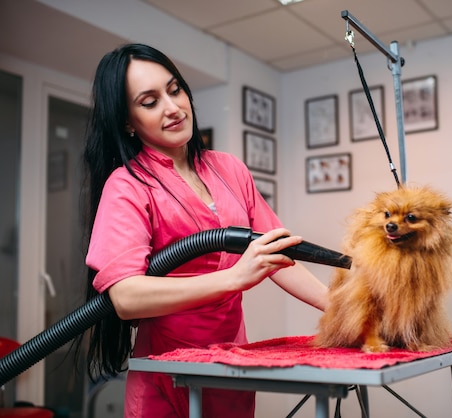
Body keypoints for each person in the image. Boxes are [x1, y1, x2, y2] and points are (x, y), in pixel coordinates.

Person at [79, 43, 329, 417]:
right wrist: (234, 278)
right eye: (150, 102)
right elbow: (126, 297)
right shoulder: (127, 185)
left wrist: (346, 309)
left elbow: (280, 254)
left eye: (175, 89)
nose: (173, 107)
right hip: (168, 372)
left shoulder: (230, 169)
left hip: (231, 366)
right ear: (128, 121)